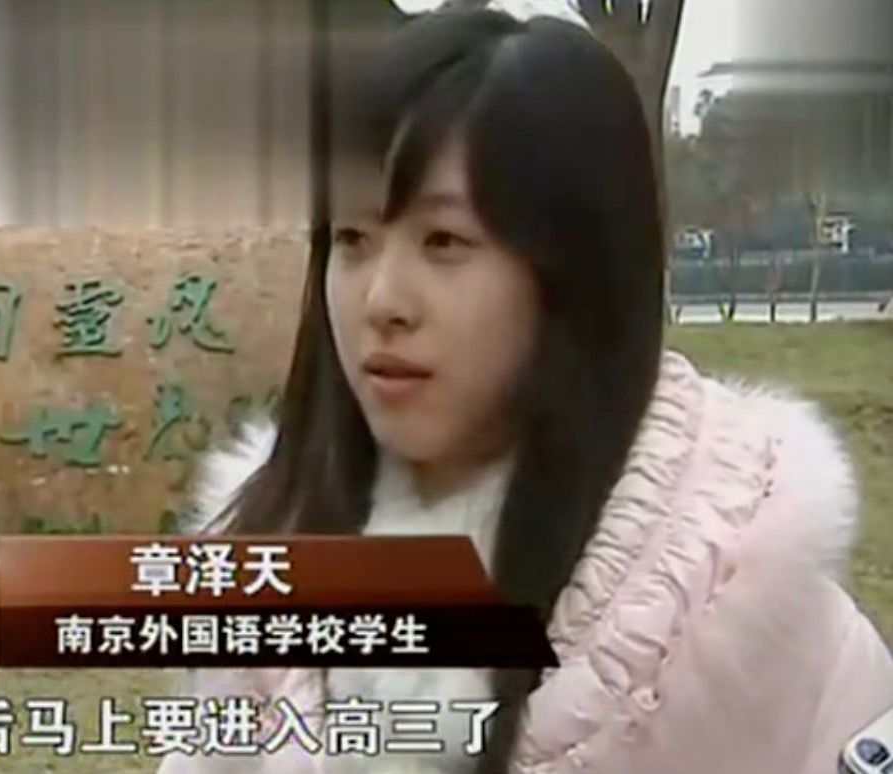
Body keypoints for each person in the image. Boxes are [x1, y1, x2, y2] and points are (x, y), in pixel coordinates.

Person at [159, 9, 893, 773]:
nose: (382, 300)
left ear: (575, 269)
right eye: (352, 240)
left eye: (444, 241)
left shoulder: (767, 623)